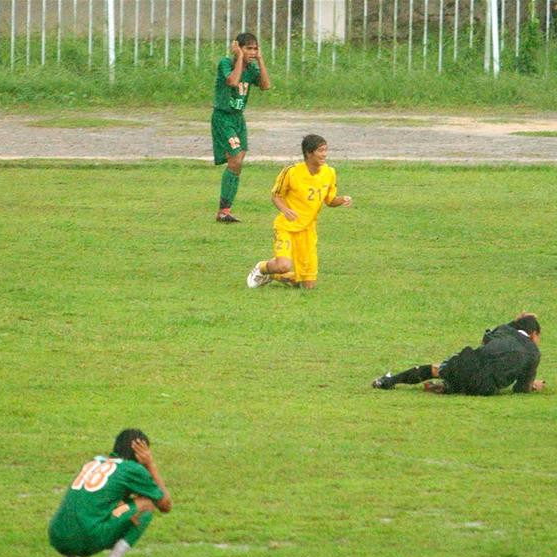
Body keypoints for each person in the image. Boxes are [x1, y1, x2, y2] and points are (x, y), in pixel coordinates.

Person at [48, 428, 172, 557]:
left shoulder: (94, 462)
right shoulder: (130, 469)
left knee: (93, 506)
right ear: (140, 452)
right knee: (146, 504)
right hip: (88, 536)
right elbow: (165, 505)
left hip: (57, 536)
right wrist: (150, 464)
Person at [247, 134, 352, 289]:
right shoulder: (291, 172)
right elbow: (276, 195)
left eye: (325, 150)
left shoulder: (329, 173)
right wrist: (285, 210)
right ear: (309, 153)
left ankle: (275, 275)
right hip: (286, 227)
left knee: (308, 286)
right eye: (320, 151)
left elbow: (330, 201)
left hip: (308, 231)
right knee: (283, 265)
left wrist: (342, 200)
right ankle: (262, 268)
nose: (324, 154)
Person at [372, 313, 544, 395]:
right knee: (477, 381)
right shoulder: (534, 354)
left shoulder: (504, 330)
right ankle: (448, 387)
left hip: (465, 366)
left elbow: (485, 340)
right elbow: (520, 389)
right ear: (534, 334)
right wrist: (533, 385)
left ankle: (387, 381)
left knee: (436, 368)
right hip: (486, 388)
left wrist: (513, 322)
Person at [211, 32, 271, 223]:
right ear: (238, 48)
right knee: (235, 159)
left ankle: (225, 211)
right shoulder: (226, 63)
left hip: (238, 119)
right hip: (223, 117)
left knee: (237, 163)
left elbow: (266, 85)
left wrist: (260, 60)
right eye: (248, 48)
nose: (252, 52)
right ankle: (223, 211)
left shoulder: (252, 68)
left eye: (255, 48)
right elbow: (233, 81)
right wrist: (239, 58)